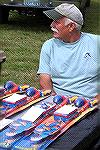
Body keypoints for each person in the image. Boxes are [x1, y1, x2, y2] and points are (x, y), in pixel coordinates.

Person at [37, 3, 100, 100]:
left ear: (71, 26)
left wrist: (95, 103)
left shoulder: (96, 43)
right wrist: (54, 102)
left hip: (91, 104)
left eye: (56, 22)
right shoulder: (48, 46)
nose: (51, 25)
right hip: (59, 102)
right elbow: (44, 80)